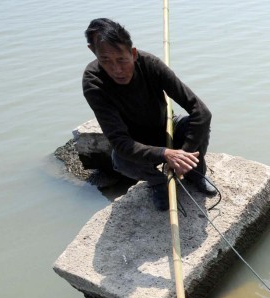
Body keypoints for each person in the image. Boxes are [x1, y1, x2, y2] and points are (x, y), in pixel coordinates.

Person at [82, 18, 215, 211]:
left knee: (193, 126)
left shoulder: (150, 64)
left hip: (165, 128)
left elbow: (201, 112)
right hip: (135, 143)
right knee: (120, 160)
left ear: (133, 53)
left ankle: (194, 171)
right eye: (106, 61)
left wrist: (183, 155)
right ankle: (158, 182)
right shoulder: (93, 82)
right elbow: (120, 142)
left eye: (122, 60)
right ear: (93, 52)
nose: (117, 70)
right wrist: (165, 154)